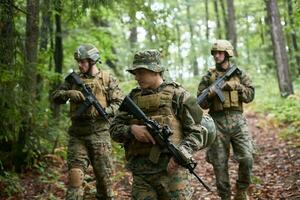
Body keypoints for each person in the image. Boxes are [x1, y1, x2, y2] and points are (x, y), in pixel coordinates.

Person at [110, 49, 216, 200]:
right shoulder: (133, 98)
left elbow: (197, 132)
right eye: (136, 73)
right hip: (142, 176)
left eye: (141, 72)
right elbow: (114, 129)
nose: (137, 77)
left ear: (155, 71)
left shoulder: (178, 95)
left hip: (173, 173)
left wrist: (180, 156)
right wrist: (132, 129)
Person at [52, 44, 123, 200]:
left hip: (100, 134)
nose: (79, 64)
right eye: (78, 61)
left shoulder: (107, 79)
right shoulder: (73, 80)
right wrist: (68, 93)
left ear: (92, 61)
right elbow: (55, 96)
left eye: (83, 61)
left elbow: (119, 103)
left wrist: (106, 111)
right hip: (78, 134)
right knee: (75, 177)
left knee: (105, 183)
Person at [197, 40, 255, 200]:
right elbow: (200, 102)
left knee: (247, 157)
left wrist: (234, 87)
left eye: (220, 52)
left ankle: (242, 189)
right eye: (215, 53)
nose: (217, 55)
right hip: (217, 122)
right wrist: (211, 94)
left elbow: (250, 95)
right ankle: (225, 196)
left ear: (228, 53)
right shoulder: (208, 77)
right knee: (219, 163)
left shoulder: (239, 74)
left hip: (237, 120)